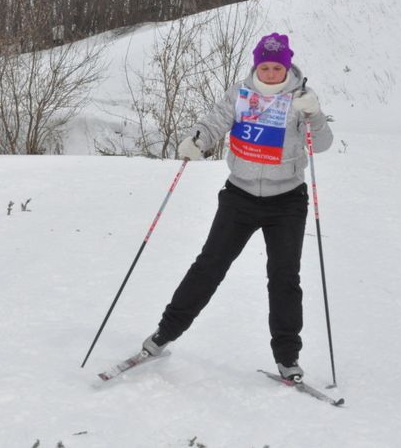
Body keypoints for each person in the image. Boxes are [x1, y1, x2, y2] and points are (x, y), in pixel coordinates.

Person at [141, 32, 333, 381]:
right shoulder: (240, 92)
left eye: (278, 66)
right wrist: (199, 138)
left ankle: (288, 358)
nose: (272, 72)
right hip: (240, 196)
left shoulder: (301, 98)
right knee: (209, 266)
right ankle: (163, 334)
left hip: (287, 201)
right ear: (256, 65)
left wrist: (315, 115)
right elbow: (216, 121)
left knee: (284, 277)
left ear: (286, 66)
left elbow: (321, 145)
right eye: (265, 66)